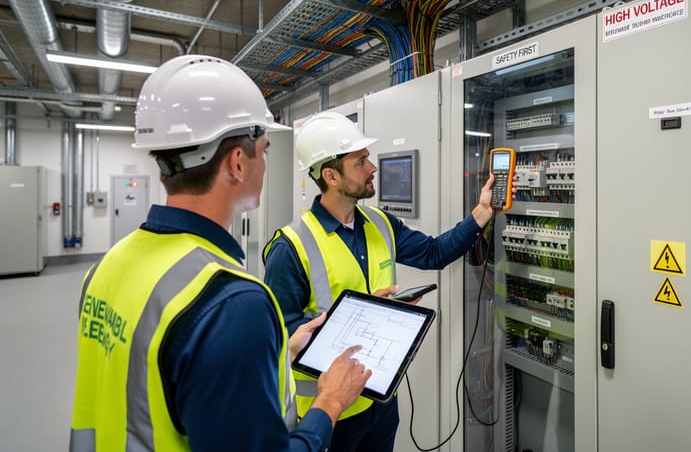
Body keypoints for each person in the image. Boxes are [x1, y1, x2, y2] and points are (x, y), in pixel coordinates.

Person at [69, 55, 372, 452]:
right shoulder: (231, 301)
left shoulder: (107, 266)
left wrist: (282, 349)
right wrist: (329, 403)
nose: (265, 162)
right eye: (263, 150)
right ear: (237, 163)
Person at [262, 112, 499, 452]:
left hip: (381, 399)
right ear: (331, 175)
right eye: (360, 162)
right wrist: (365, 313)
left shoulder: (380, 223)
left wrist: (481, 213)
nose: (372, 168)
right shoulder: (290, 246)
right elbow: (282, 337)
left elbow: (434, 253)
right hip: (330, 411)